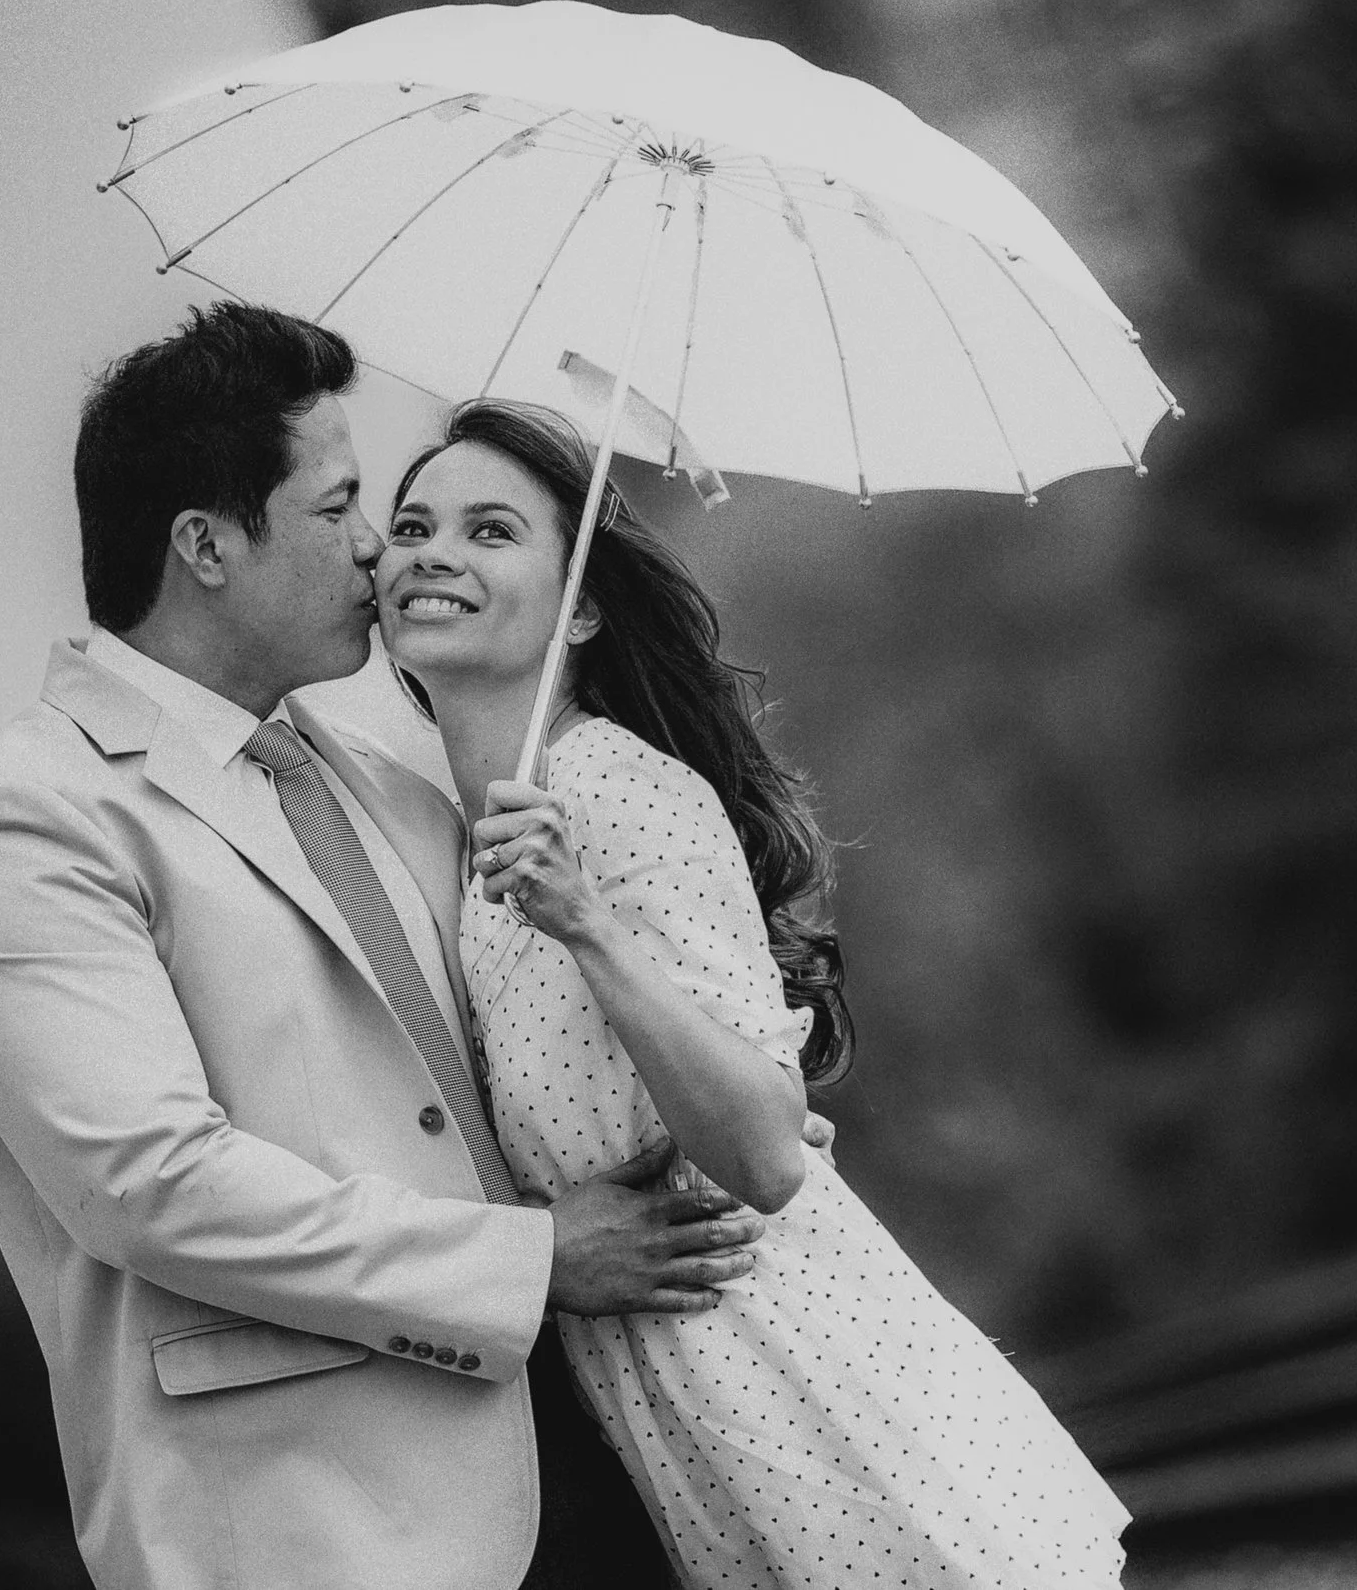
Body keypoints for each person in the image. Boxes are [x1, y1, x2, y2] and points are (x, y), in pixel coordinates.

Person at [0, 303, 816, 1590]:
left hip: (589, 1451)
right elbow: (152, 1185)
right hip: (315, 1521)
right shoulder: (28, 825)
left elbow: (523, 1056)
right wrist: (534, 1259)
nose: (377, 545)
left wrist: (717, 1100)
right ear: (206, 545)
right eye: (337, 506)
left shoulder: (381, 774)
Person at [375, 399, 1131, 1589]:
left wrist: (583, 920)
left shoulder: (621, 795)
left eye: (490, 530)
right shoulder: (464, 833)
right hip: (670, 1388)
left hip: (783, 1372)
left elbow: (768, 1146)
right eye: (411, 524)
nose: (432, 551)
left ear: (579, 604)